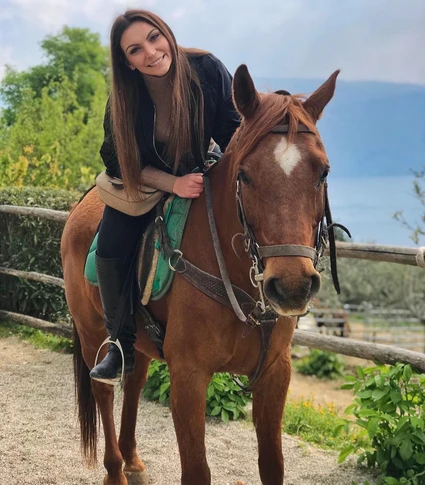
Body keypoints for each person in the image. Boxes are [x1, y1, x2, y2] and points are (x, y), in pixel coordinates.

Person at [89, 9, 241, 384]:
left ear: (167, 34)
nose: (152, 52)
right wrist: (172, 185)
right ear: (127, 63)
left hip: (200, 170)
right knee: (109, 250)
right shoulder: (123, 98)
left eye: (154, 38)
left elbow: (233, 129)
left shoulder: (207, 69)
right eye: (136, 50)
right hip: (146, 182)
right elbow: (117, 160)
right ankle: (120, 347)